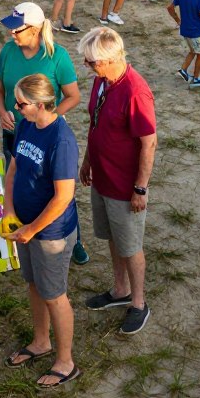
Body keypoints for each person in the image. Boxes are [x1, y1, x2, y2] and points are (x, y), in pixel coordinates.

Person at [1, 74, 81, 387]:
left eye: (21, 103)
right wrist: (9, 209)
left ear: (40, 104)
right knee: (34, 285)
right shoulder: (27, 125)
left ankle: (66, 362)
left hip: (50, 233)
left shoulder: (61, 140)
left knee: (55, 295)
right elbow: (14, 167)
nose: (15, 108)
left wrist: (33, 229)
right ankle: (40, 341)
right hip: (26, 225)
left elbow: (63, 197)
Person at [0, 1, 89, 266]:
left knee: (58, 188)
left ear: (35, 30)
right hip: (15, 130)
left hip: (45, 133)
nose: (11, 35)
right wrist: (3, 111)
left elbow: (73, 96)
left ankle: (75, 239)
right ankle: (22, 229)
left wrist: (47, 118)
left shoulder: (57, 56)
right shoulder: (7, 52)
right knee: (19, 179)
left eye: (17, 30)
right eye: (11, 30)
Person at [79, 27, 157, 336]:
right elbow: (95, 123)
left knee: (131, 245)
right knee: (113, 236)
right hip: (102, 176)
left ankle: (138, 303)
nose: (86, 68)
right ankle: (120, 289)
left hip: (125, 185)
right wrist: (87, 160)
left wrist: (140, 187)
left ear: (109, 59)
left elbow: (149, 143)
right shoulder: (102, 81)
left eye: (90, 62)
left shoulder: (135, 91)